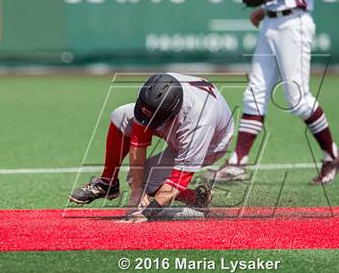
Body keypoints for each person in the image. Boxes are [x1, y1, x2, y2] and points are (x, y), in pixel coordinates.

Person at [210, 0, 339, 185]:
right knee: (254, 94)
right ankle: (237, 162)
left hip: (294, 22)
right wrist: (265, 9)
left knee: (298, 100)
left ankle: (333, 156)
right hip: (271, 23)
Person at [69, 73, 234, 222]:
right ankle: (108, 182)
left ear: (171, 114)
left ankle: (196, 198)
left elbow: (179, 177)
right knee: (121, 116)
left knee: (148, 180)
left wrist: (147, 213)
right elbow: (138, 143)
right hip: (181, 118)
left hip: (212, 143)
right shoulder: (155, 91)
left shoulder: (199, 123)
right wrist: (136, 193)